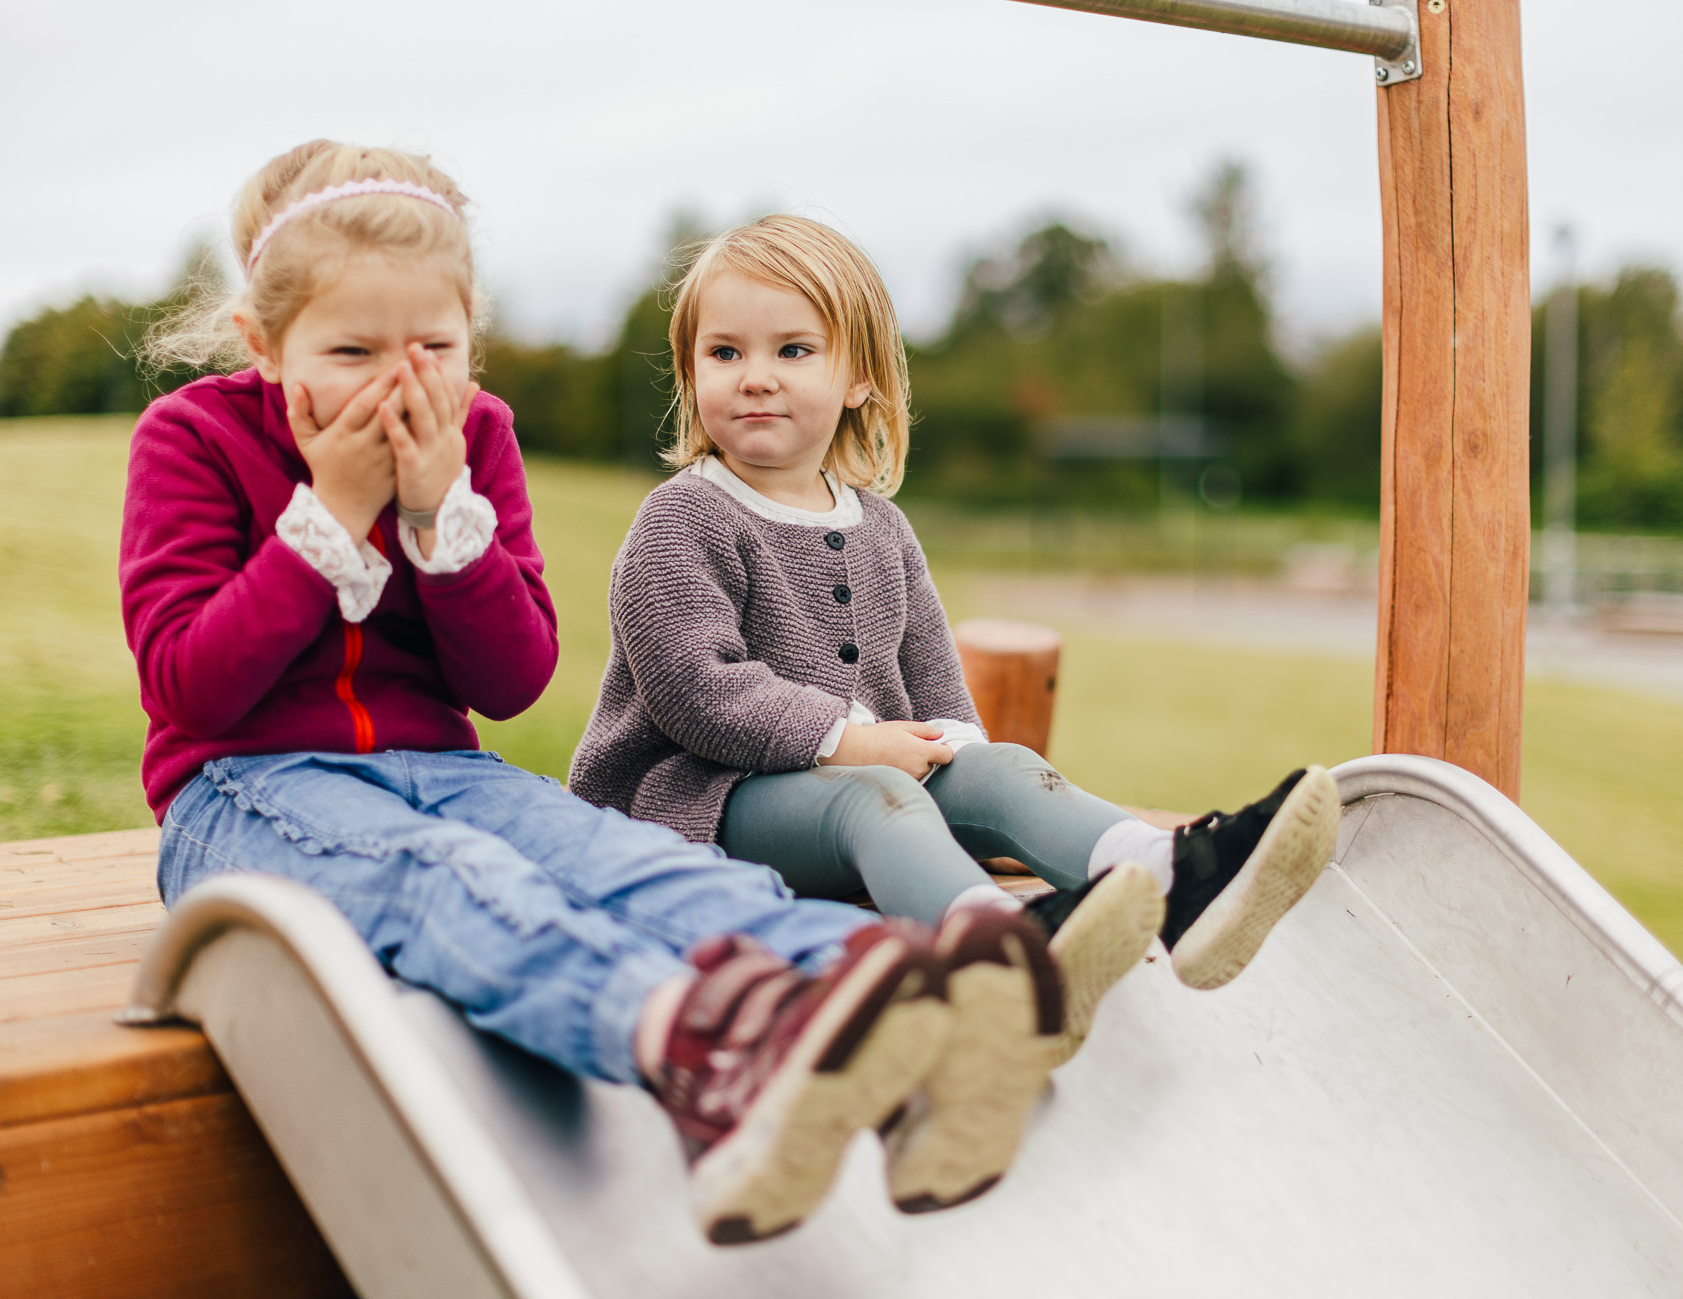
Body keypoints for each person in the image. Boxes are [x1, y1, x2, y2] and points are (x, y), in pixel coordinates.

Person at [123, 141, 1056, 1244]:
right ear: (264, 344)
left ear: (470, 331)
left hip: (448, 769)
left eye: (435, 348)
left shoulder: (476, 435)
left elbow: (509, 681)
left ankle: (894, 1005)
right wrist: (327, 518)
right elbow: (190, 687)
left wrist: (439, 518)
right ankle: (697, 1053)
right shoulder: (193, 439)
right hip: (245, 789)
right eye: (351, 350)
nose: (398, 383)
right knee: (451, 877)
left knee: (620, 860)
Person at [570, 215, 1342, 1084]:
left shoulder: (882, 528)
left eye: (793, 351)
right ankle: (998, 960)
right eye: (724, 353)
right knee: (877, 797)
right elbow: (697, 689)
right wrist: (849, 741)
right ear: (690, 371)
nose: (755, 377)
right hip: (695, 805)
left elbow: (931, 671)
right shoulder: (682, 519)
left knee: (1004, 766)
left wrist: (963, 760)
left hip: (848, 785)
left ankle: (1172, 881)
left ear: (859, 378)